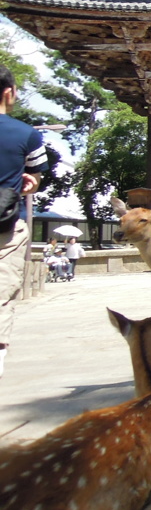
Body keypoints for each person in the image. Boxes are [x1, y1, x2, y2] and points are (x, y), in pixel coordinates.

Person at [0, 64, 50, 377]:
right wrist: (29, 183)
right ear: (9, 92)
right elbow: (34, 177)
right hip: (4, 229)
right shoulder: (27, 135)